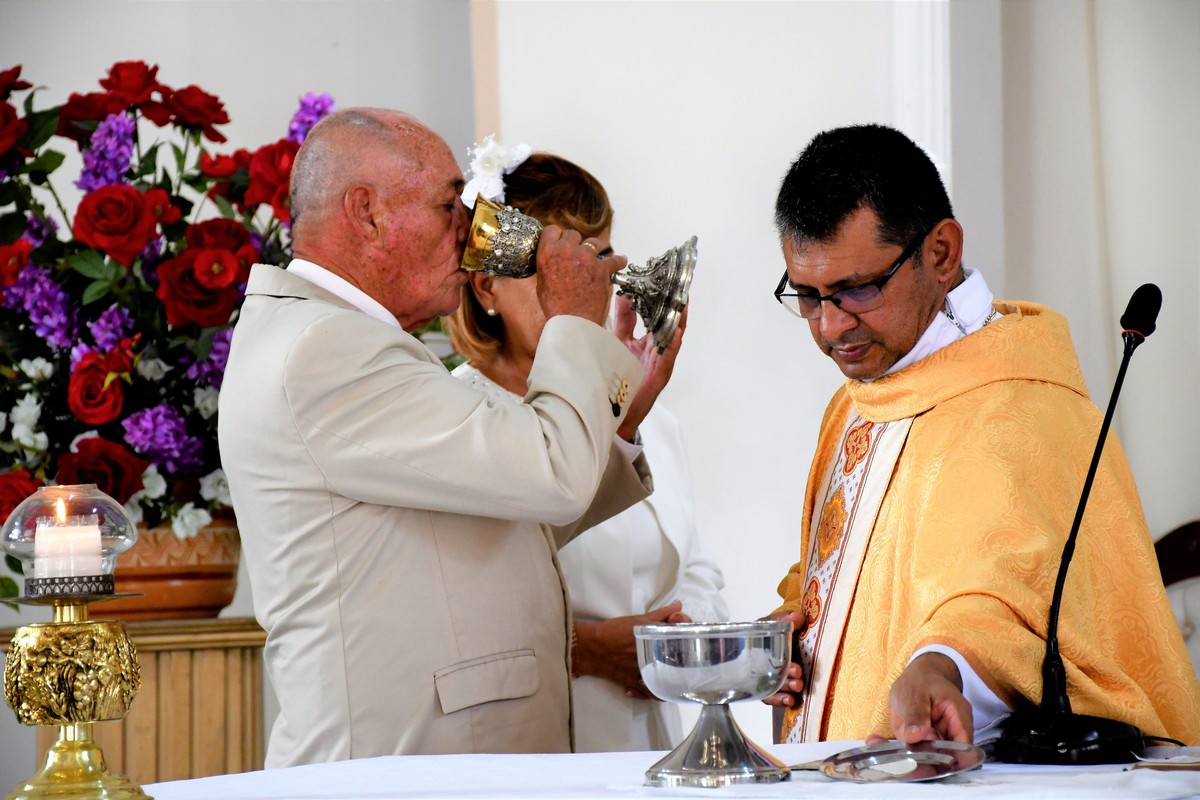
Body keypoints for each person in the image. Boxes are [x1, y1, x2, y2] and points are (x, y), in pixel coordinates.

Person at [217, 108, 684, 767]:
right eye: (447, 207)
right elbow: (550, 477)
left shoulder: (337, 341)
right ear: (367, 211)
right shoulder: (326, 349)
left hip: (440, 758)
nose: (469, 235)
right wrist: (574, 320)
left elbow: (505, 522)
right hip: (401, 766)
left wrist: (625, 417)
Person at [762, 124, 1200, 748]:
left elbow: (1014, 600)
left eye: (856, 289)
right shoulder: (857, 402)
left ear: (940, 252)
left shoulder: (1024, 403)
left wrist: (945, 668)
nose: (830, 326)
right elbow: (840, 579)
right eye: (807, 296)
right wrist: (793, 636)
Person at [446, 150, 729, 752]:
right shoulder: (456, 419)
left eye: (595, 267)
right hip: (527, 746)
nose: (586, 294)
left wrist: (679, 640)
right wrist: (590, 649)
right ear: (488, 283)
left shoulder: (645, 413)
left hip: (651, 742)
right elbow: (453, 612)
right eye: (557, 274)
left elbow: (697, 567)